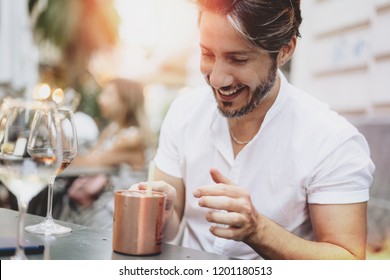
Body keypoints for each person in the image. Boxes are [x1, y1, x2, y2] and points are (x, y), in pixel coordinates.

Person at [132, 0, 375, 259]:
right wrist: (162, 211)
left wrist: (258, 230)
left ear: (285, 50)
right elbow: (171, 225)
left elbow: (348, 261)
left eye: (237, 59)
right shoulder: (184, 112)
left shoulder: (333, 141)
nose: (216, 78)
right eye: (207, 54)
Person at [59, 78, 155, 230]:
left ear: (125, 101)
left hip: (119, 211)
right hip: (104, 202)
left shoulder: (132, 138)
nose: (100, 99)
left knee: (58, 207)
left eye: (108, 94)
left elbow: (83, 164)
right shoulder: (112, 130)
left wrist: (58, 125)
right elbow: (84, 160)